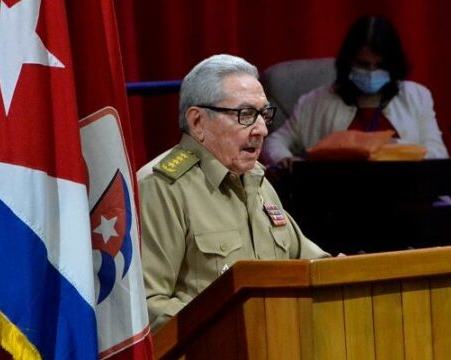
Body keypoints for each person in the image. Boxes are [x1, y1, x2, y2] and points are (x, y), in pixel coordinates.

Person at [138, 54, 329, 331]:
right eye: (246, 115)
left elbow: (311, 264)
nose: (262, 129)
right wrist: (241, 326)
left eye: (264, 114)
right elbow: (148, 306)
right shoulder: (161, 188)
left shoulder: (257, 180)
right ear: (198, 123)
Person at [261, 15, 449, 169]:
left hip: (407, 199)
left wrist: (396, 151)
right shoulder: (315, 101)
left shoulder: (417, 97)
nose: (372, 72)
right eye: (363, 65)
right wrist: (284, 159)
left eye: (380, 66)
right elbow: (274, 143)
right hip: (338, 203)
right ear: (349, 62)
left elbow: (438, 153)